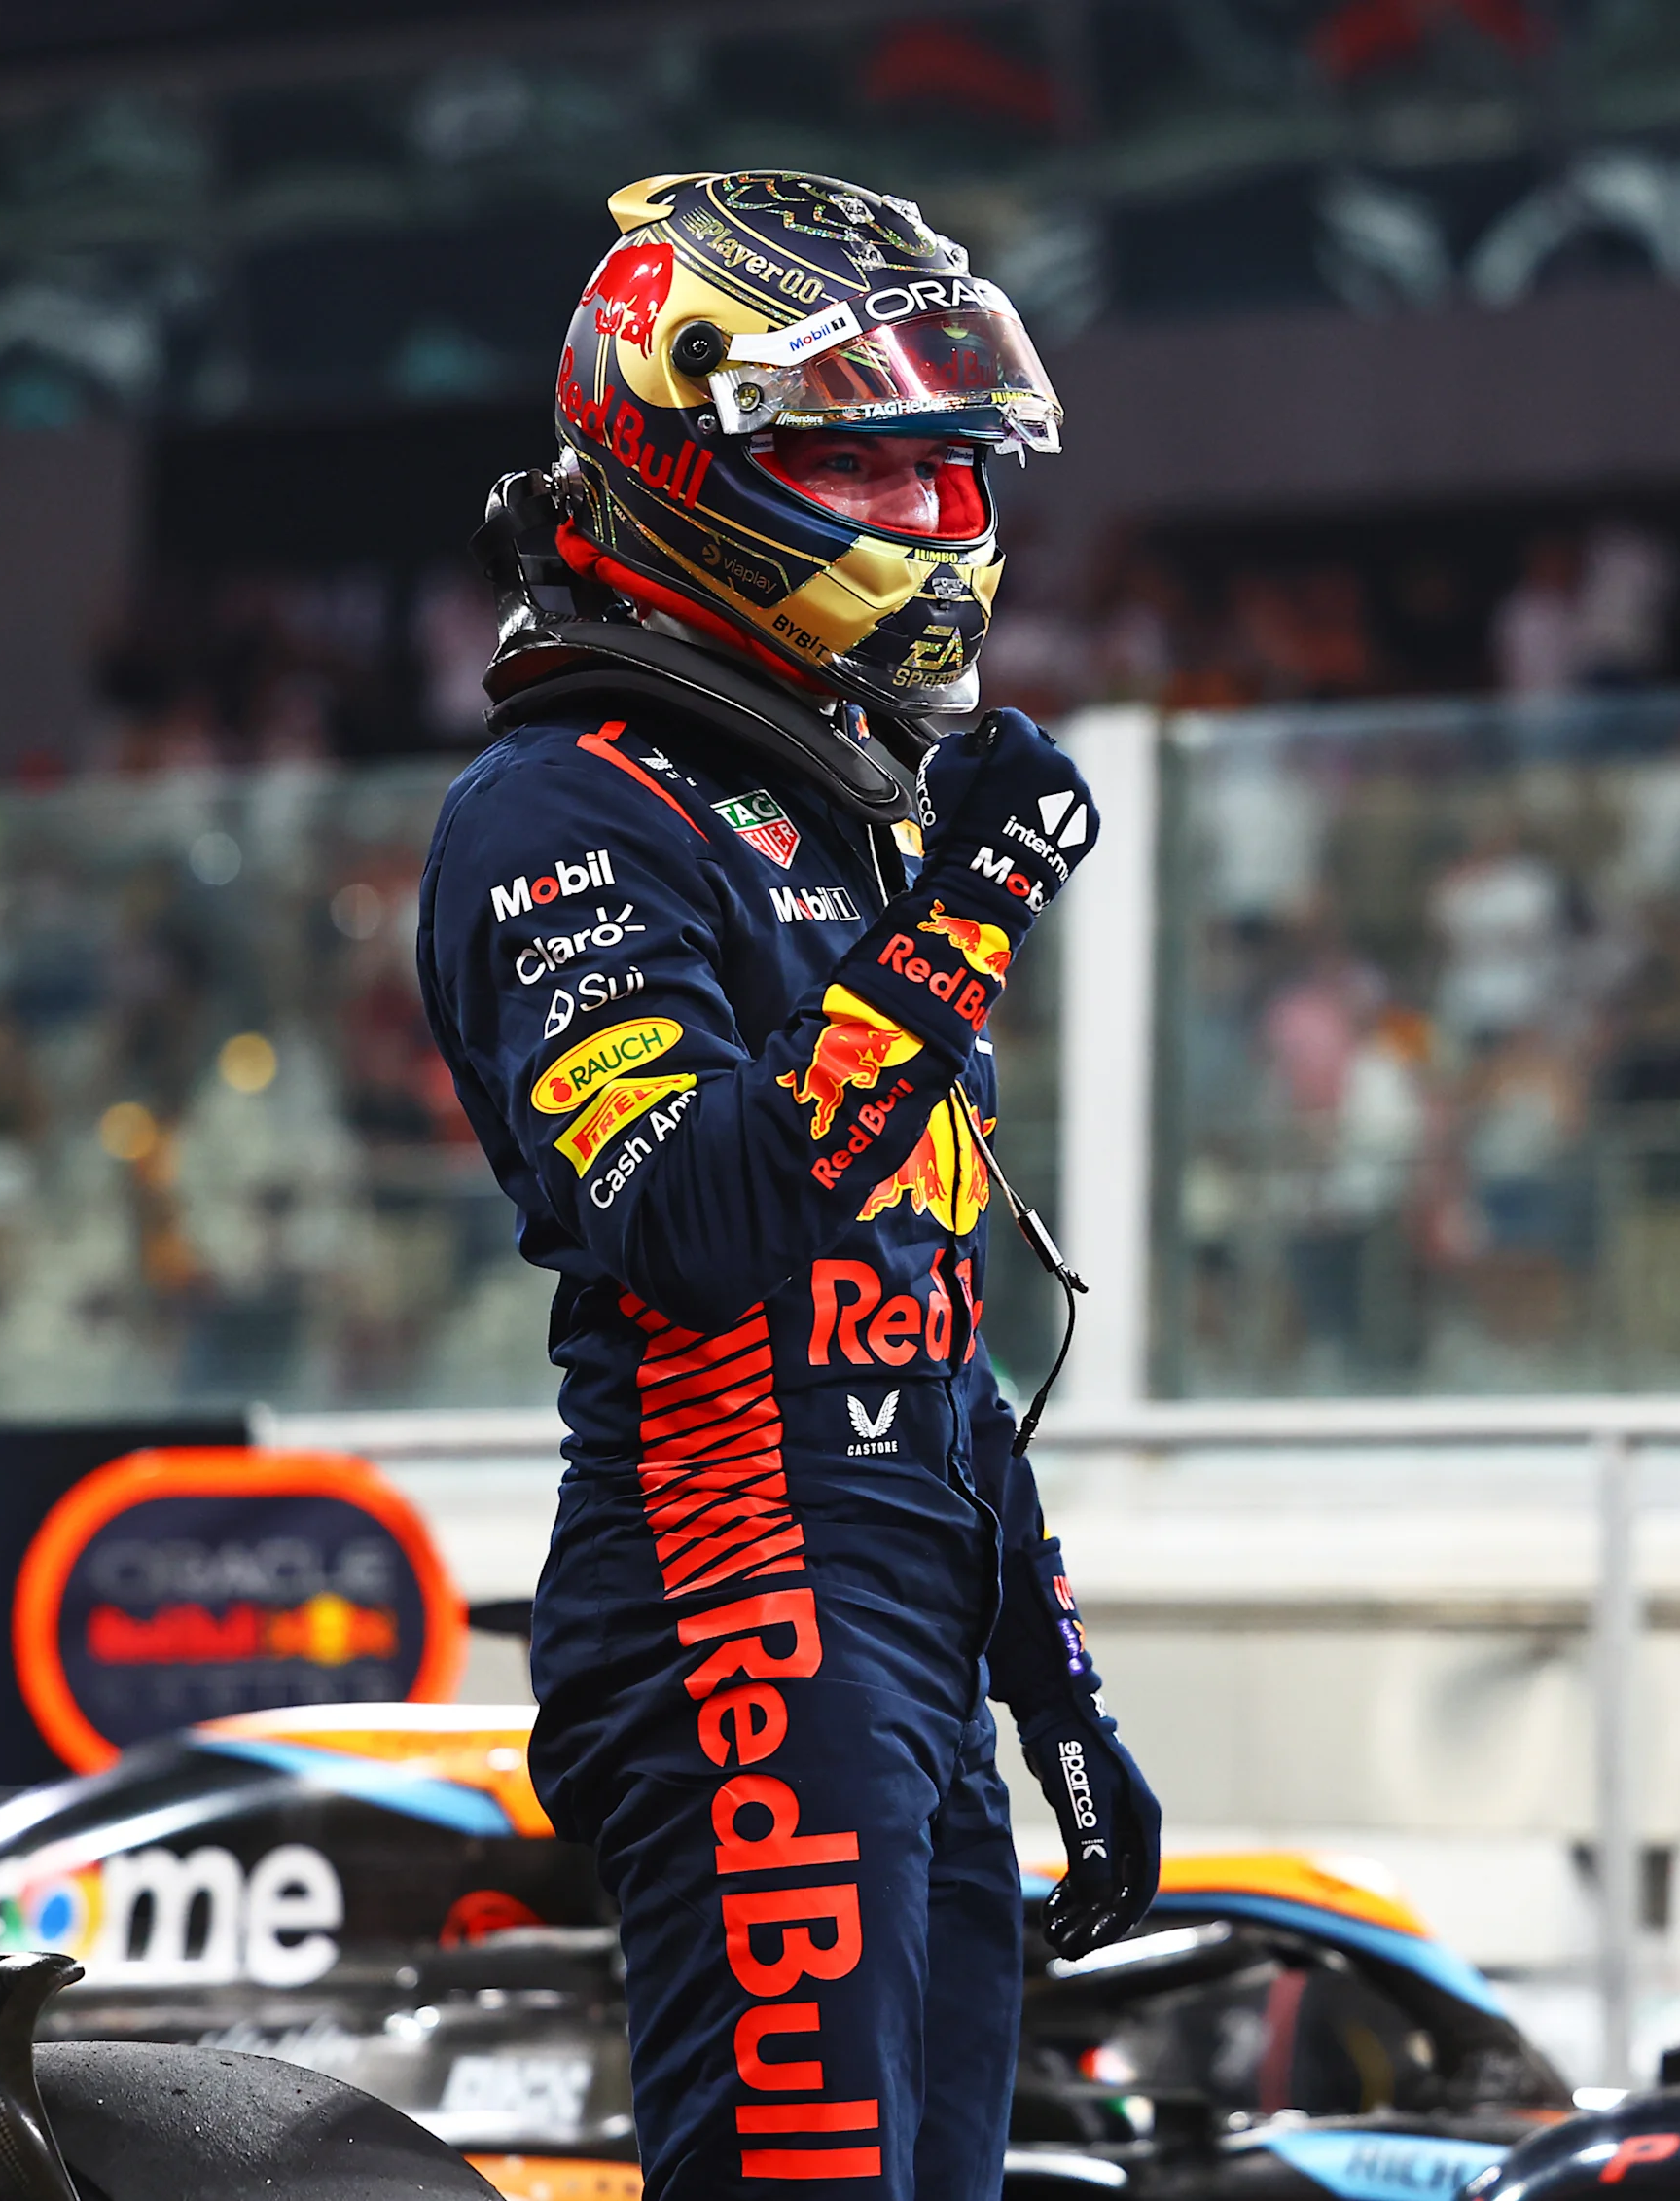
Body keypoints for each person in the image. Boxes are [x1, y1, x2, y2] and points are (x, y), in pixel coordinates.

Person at [417, 169, 1162, 2201]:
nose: (934, 518)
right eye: (869, 461)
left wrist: (1057, 1691)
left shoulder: (833, 815)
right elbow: (693, 1219)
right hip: (736, 1594)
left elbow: (922, 1329)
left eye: (950, 468)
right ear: (678, 455)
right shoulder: (553, 811)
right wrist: (974, 911)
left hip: (898, 1612)